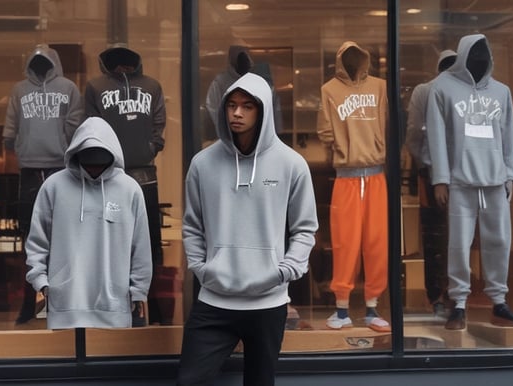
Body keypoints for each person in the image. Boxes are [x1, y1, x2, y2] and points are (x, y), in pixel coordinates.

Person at [177, 72, 318, 386]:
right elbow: (192, 225)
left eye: (247, 106)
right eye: (231, 105)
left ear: (263, 110)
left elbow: (305, 229)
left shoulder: (291, 164)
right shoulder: (202, 163)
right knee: (190, 380)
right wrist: (202, 268)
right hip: (214, 300)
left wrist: (284, 271)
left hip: (268, 302)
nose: (236, 113)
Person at [425, 34, 513, 330]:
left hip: (496, 181)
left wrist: (510, 172)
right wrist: (441, 179)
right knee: (458, 245)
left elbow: (508, 134)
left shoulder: (501, 92)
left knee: (499, 242)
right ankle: (458, 303)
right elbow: (436, 136)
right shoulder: (442, 88)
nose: (481, 60)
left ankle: (499, 301)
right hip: (460, 180)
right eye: (475, 55)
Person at [25, 117, 153, 329]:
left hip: (115, 306)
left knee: (110, 361)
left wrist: (139, 291)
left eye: (100, 163)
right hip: (65, 305)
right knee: (64, 361)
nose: (94, 169)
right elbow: (38, 240)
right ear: (77, 156)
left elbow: (140, 247)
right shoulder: (54, 187)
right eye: (89, 162)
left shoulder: (130, 190)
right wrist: (41, 283)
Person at [83, 44, 166, 325]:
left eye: (126, 63)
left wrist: (152, 146)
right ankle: (110, 305)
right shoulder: (95, 86)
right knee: (110, 237)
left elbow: (159, 122)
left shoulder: (152, 86)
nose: (121, 67)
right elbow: (90, 124)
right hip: (111, 173)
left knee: (149, 240)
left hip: (145, 172)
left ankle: (151, 304)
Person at [2, 44, 84, 324]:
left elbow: (75, 124)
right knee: (30, 238)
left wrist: (66, 148)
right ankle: (28, 303)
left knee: (64, 236)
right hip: (29, 170)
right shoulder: (18, 90)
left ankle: (61, 301)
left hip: (60, 169)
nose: (40, 66)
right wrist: (15, 144)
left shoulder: (68, 88)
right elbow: (11, 127)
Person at [317, 41, 390, 332]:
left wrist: (375, 146)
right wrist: (342, 147)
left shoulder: (380, 87)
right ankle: (342, 309)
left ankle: (372, 308)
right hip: (346, 176)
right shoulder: (329, 90)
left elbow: (386, 122)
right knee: (344, 242)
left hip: (376, 174)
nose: (352, 62)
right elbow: (324, 130)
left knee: (377, 242)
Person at [404, 49, 457, 316]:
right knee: (458, 234)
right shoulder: (463, 90)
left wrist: (423, 160)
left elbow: (413, 132)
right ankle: (454, 295)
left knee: (435, 235)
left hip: (431, 170)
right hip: (462, 173)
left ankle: (436, 295)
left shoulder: (423, 91)